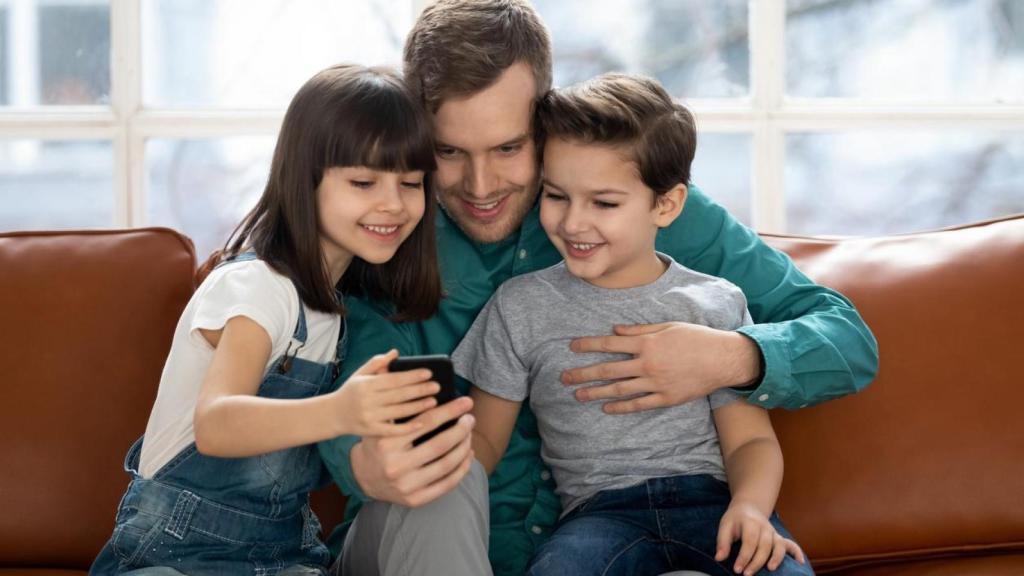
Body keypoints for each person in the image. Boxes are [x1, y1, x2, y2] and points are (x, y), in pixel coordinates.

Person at [320, 1, 878, 575]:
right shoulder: (385, 230)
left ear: (545, 121)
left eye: (508, 148)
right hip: (452, 544)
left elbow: (846, 340)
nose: (480, 186)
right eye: (449, 152)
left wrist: (728, 355)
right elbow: (317, 357)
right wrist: (364, 459)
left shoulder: (648, 205)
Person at [89, 63, 445, 575]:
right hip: (175, 557)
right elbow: (216, 423)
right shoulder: (259, 287)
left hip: (282, 559)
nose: (393, 203)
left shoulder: (336, 312)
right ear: (307, 181)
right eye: (364, 182)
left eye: (410, 183)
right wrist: (343, 410)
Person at [454, 72, 812, 576]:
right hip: (597, 517)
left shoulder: (715, 303)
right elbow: (484, 441)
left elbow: (749, 440)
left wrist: (752, 508)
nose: (574, 222)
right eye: (557, 196)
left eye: (604, 203)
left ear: (665, 204)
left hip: (713, 504)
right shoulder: (519, 306)